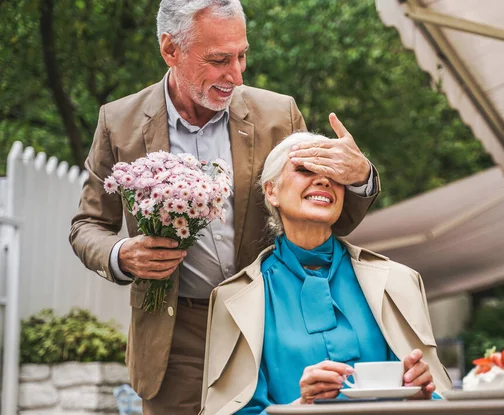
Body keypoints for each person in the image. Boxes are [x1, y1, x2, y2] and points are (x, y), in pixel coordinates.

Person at [69, 1, 379, 414]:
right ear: (170, 50)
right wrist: (122, 255)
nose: (236, 75)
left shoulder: (278, 115)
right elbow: (87, 225)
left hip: (272, 322)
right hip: (175, 336)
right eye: (219, 60)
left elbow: (327, 216)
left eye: (242, 55)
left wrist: (360, 177)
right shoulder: (118, 122)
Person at [201, 132, 452, 415]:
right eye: (304, 169)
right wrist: (300, 408)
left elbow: (438, 400)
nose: (323, 180)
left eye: (334, 173)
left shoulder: (398, 282)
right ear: (271, 191)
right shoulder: (233, 299)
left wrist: (421, 398)